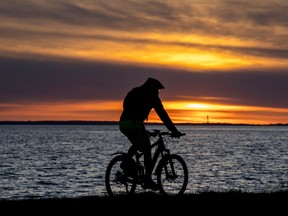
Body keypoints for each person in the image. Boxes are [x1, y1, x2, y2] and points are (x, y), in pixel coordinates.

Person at [119, 77, 183, 190]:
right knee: (147, 147)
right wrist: (174, 130)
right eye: (157, 90)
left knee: (139, 143)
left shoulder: (134, 91)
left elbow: (125, 105)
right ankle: (147, 179)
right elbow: (163, 115)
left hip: (123, 123)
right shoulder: (152, 97)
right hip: (134, 123)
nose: (158, 92)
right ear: (152, 89)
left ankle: (126, 161)